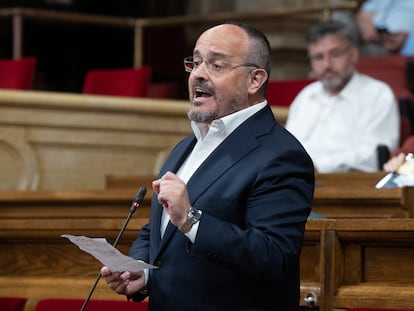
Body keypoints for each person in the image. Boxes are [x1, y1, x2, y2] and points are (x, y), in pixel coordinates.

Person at [100, 22, 314, 310]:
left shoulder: (281, 155)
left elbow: (274, 257)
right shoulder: (185, 147)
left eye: (216, 65)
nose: (198, 74)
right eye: (196, 62)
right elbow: (159, 228)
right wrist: (142, 273)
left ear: (255, 80)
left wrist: (191, 219)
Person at [285, 20, 400, 173]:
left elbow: (377, 154)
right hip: (294, 182)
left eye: (335, 54)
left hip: (348, 186)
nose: (327, 65)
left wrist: (318, 165)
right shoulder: (306, 96)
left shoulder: (377, 94)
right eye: (318, 57)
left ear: (353, 54)